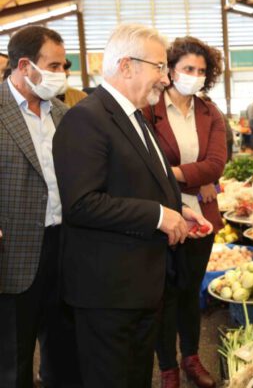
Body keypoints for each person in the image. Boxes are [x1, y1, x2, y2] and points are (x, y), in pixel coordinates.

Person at [53, 24, 213, 388]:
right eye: (159, 67)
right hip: (108, 292)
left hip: (140, 286)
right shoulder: (87, 120)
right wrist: (158, 215)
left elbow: (145, 179)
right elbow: (81, 203)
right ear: (126, 66)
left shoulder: (136, 115)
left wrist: (177, 207)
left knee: (137, 376)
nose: (165, 77)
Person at [142, 35, 227, 388]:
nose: (194, 75)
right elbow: (143, 163)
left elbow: (216, 164)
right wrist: (192, 177)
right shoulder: (149, 109)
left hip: (202, 220)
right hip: (161, 220)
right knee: (163, 296)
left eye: (201, 70)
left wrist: (173, 175)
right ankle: (167, 367)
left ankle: (191, 357)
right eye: (187, 68)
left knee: (190, 292)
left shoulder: (210, 112)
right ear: (170, 70)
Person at [0, 25, 81, 388]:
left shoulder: (63, 115)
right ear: (24, 65)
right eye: (53, 65)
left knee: (63, 350)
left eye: (64, 66)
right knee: (13, 357)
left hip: (64, 247)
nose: (60, 75)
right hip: (12, 250)